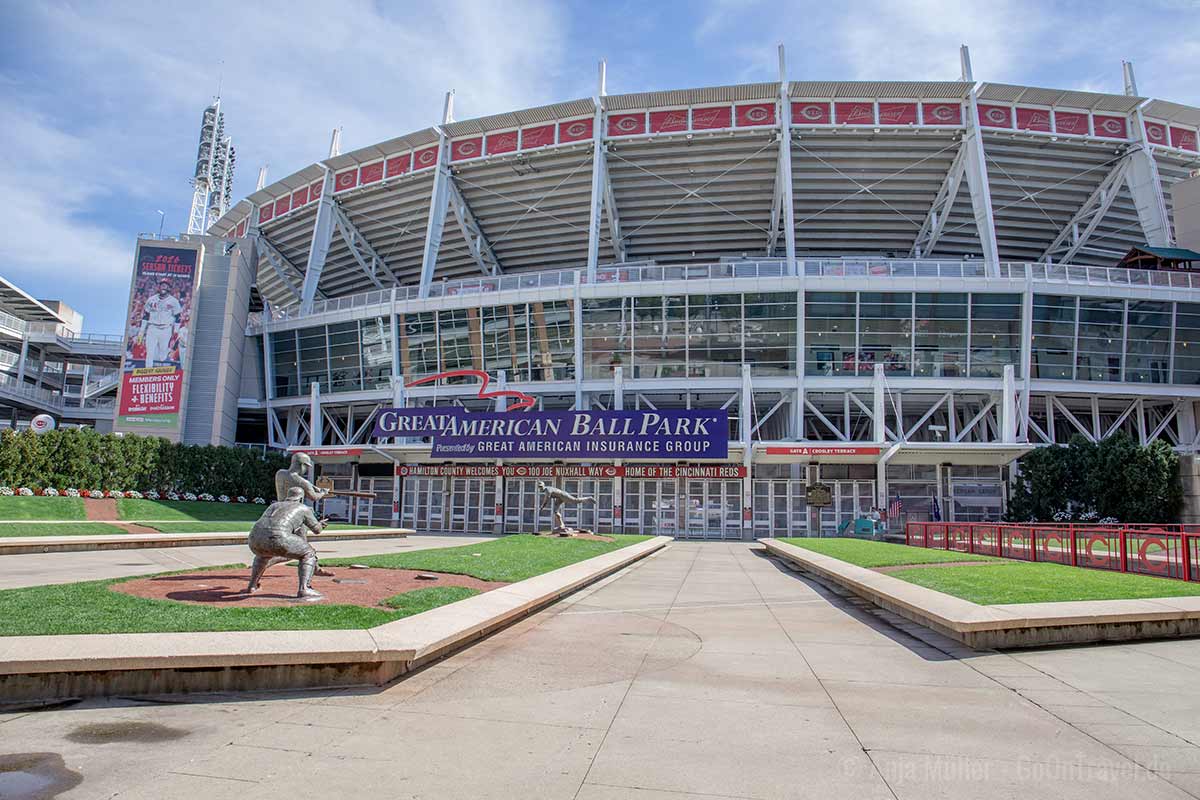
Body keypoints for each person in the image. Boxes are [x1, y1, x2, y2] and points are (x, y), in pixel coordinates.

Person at [245, 487, 328, 599]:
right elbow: (317, 530)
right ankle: (304, 589)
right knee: (309, 553)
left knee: (263, 555)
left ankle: (252, 585)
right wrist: (320, 524)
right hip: (278, 537)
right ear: (301, 498)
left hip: (254, 539)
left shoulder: (274, 505)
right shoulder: (303, 508)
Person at [138, 278, 182, 367]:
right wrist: (141, 331)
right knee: (149, 352)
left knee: (163, 354)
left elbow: (178, 317)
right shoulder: (151, 299)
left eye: (166, 285)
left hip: (166, 329)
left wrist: (176, 331)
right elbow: (146, 315)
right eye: (162, 285)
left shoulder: (174, 301)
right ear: (159, 286)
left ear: (169, 288)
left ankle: (160, 371)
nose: (163, 287)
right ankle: (148, 373)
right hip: (152, 328)